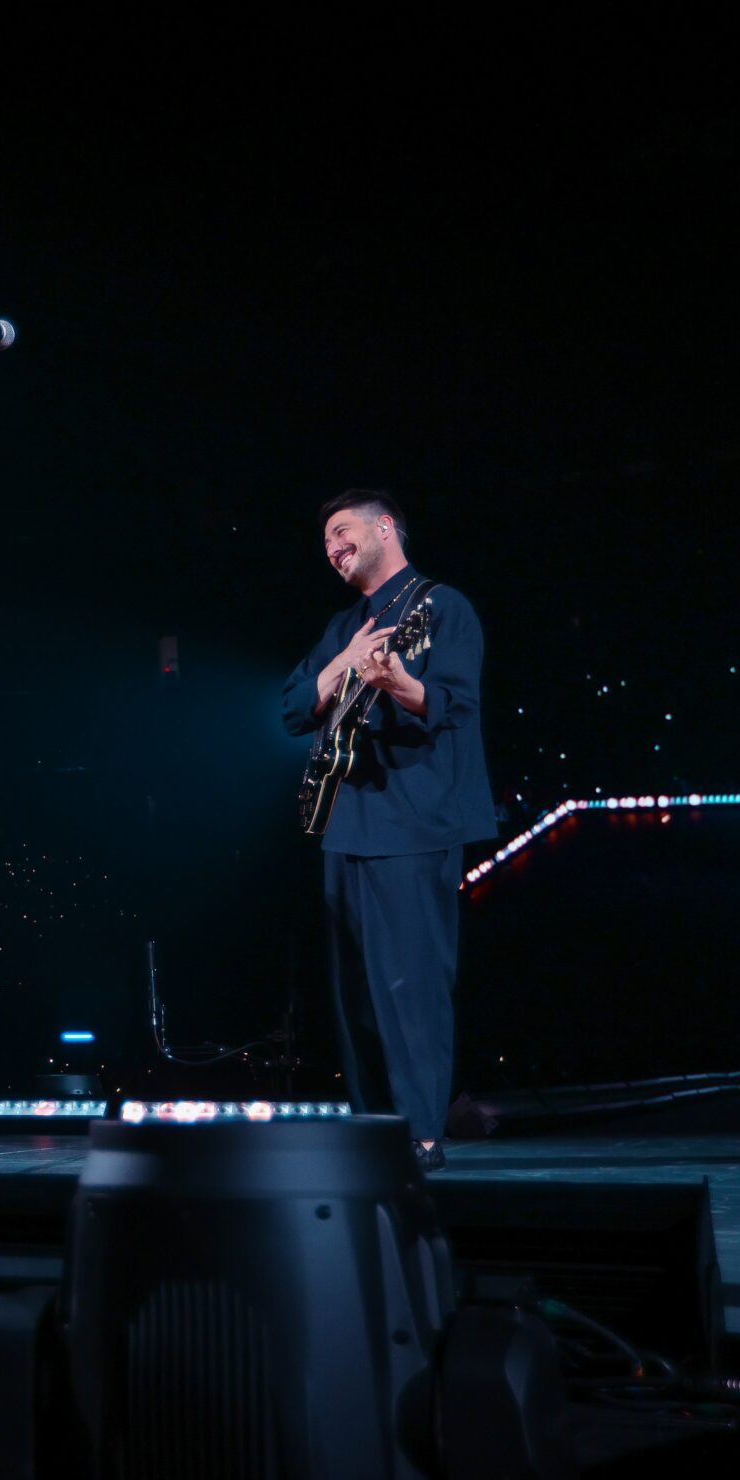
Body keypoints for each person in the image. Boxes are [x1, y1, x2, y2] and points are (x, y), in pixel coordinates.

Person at [280, 488, 495, 1172]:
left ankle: (424, 1135)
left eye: (342, 532)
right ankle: (376, 1129)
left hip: (413, 821)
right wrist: (344, 664)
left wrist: (399, 680)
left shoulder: (441, 606)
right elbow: (291, 706)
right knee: (355, 999)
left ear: (385, 527)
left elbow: (453, 704)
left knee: (413, 986)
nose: (332, 548)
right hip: (346, 826)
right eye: (324, 543)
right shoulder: (343, 624)